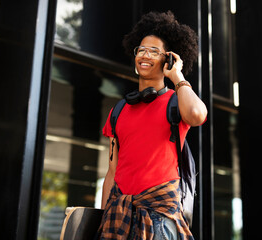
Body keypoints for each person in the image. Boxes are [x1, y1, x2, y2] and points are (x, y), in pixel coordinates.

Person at [97, 11, 207, 240]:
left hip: (160, 216)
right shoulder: (118, 110)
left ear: (168, 58)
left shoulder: (177, 103)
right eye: (142, 50)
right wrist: (104, 216)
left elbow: (197, 115)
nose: (145, 55)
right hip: (120, 216)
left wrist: (177, 76)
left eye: (154, 51)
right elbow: (112, 171)